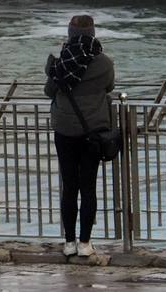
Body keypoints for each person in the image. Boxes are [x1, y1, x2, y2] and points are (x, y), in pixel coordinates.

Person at [43, 14, 115, 258]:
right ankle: (85, 243)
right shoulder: (104, 63)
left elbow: (48, 90)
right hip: (92, 131)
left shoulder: (59, 62)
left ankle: (69, 241)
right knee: (88, 187)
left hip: (64, 130)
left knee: (69, 187)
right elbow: (109, 87)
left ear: (70, 34)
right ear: (93, 33)